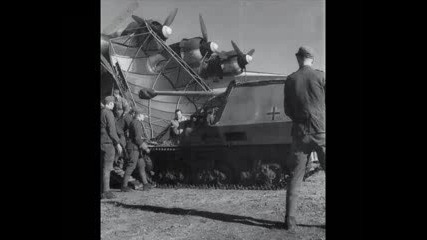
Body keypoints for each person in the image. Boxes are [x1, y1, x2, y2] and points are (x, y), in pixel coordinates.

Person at [283, 46, 326, 231]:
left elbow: (287, 109)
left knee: (296, 176)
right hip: (322, 132)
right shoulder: (321, 76)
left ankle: (290, 220)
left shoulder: (291, 79)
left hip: (300, 134)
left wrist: (300, 120)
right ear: (312, 59)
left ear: (298, 59)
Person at [121, 108, 153, 192]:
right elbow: (138, 138)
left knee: (141, 165)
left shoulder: (135, 122)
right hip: (133, 148)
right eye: (143, 115)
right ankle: (124, 186)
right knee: (131, 166)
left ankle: (145, 185)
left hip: (136, 148)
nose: (144, 117)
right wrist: (146, 148)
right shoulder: (136, 123)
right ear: (139, 115)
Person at [100, 96, 123, 199]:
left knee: (103, 167)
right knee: (108, 168)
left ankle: (103, 190)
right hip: (108, 143)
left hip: (102, 142)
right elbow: (112, 130)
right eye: (113, 103)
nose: (114, 105)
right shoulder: (108, 113)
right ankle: (106, 191)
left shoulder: (101, 112)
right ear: (110, 103)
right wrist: (118, 143)